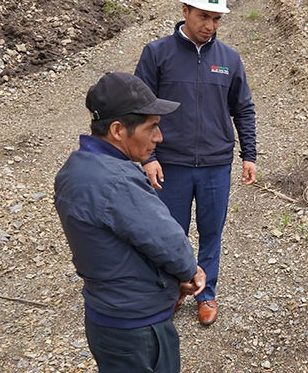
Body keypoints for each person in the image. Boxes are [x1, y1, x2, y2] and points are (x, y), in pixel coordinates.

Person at [54, 72, 206, 372]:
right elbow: (169, 243)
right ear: (118, 130)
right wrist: (189, 272)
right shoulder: (118, 181)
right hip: (139, 328)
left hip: (105, 319)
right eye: (152, 127)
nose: (159, 138)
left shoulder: (74, 169)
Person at [134, 0, 257, 326]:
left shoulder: (229, 59)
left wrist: (249, 155)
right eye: (203, 16)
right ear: (185, 10)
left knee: (211, 232)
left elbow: (243, 109)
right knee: (170, 233)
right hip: (170, 164)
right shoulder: (157, 54)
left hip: (216, 165)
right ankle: (172, 291)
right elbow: (139, 110)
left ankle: (206, 294)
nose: (210, 25)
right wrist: (148, 157)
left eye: (216, 19)